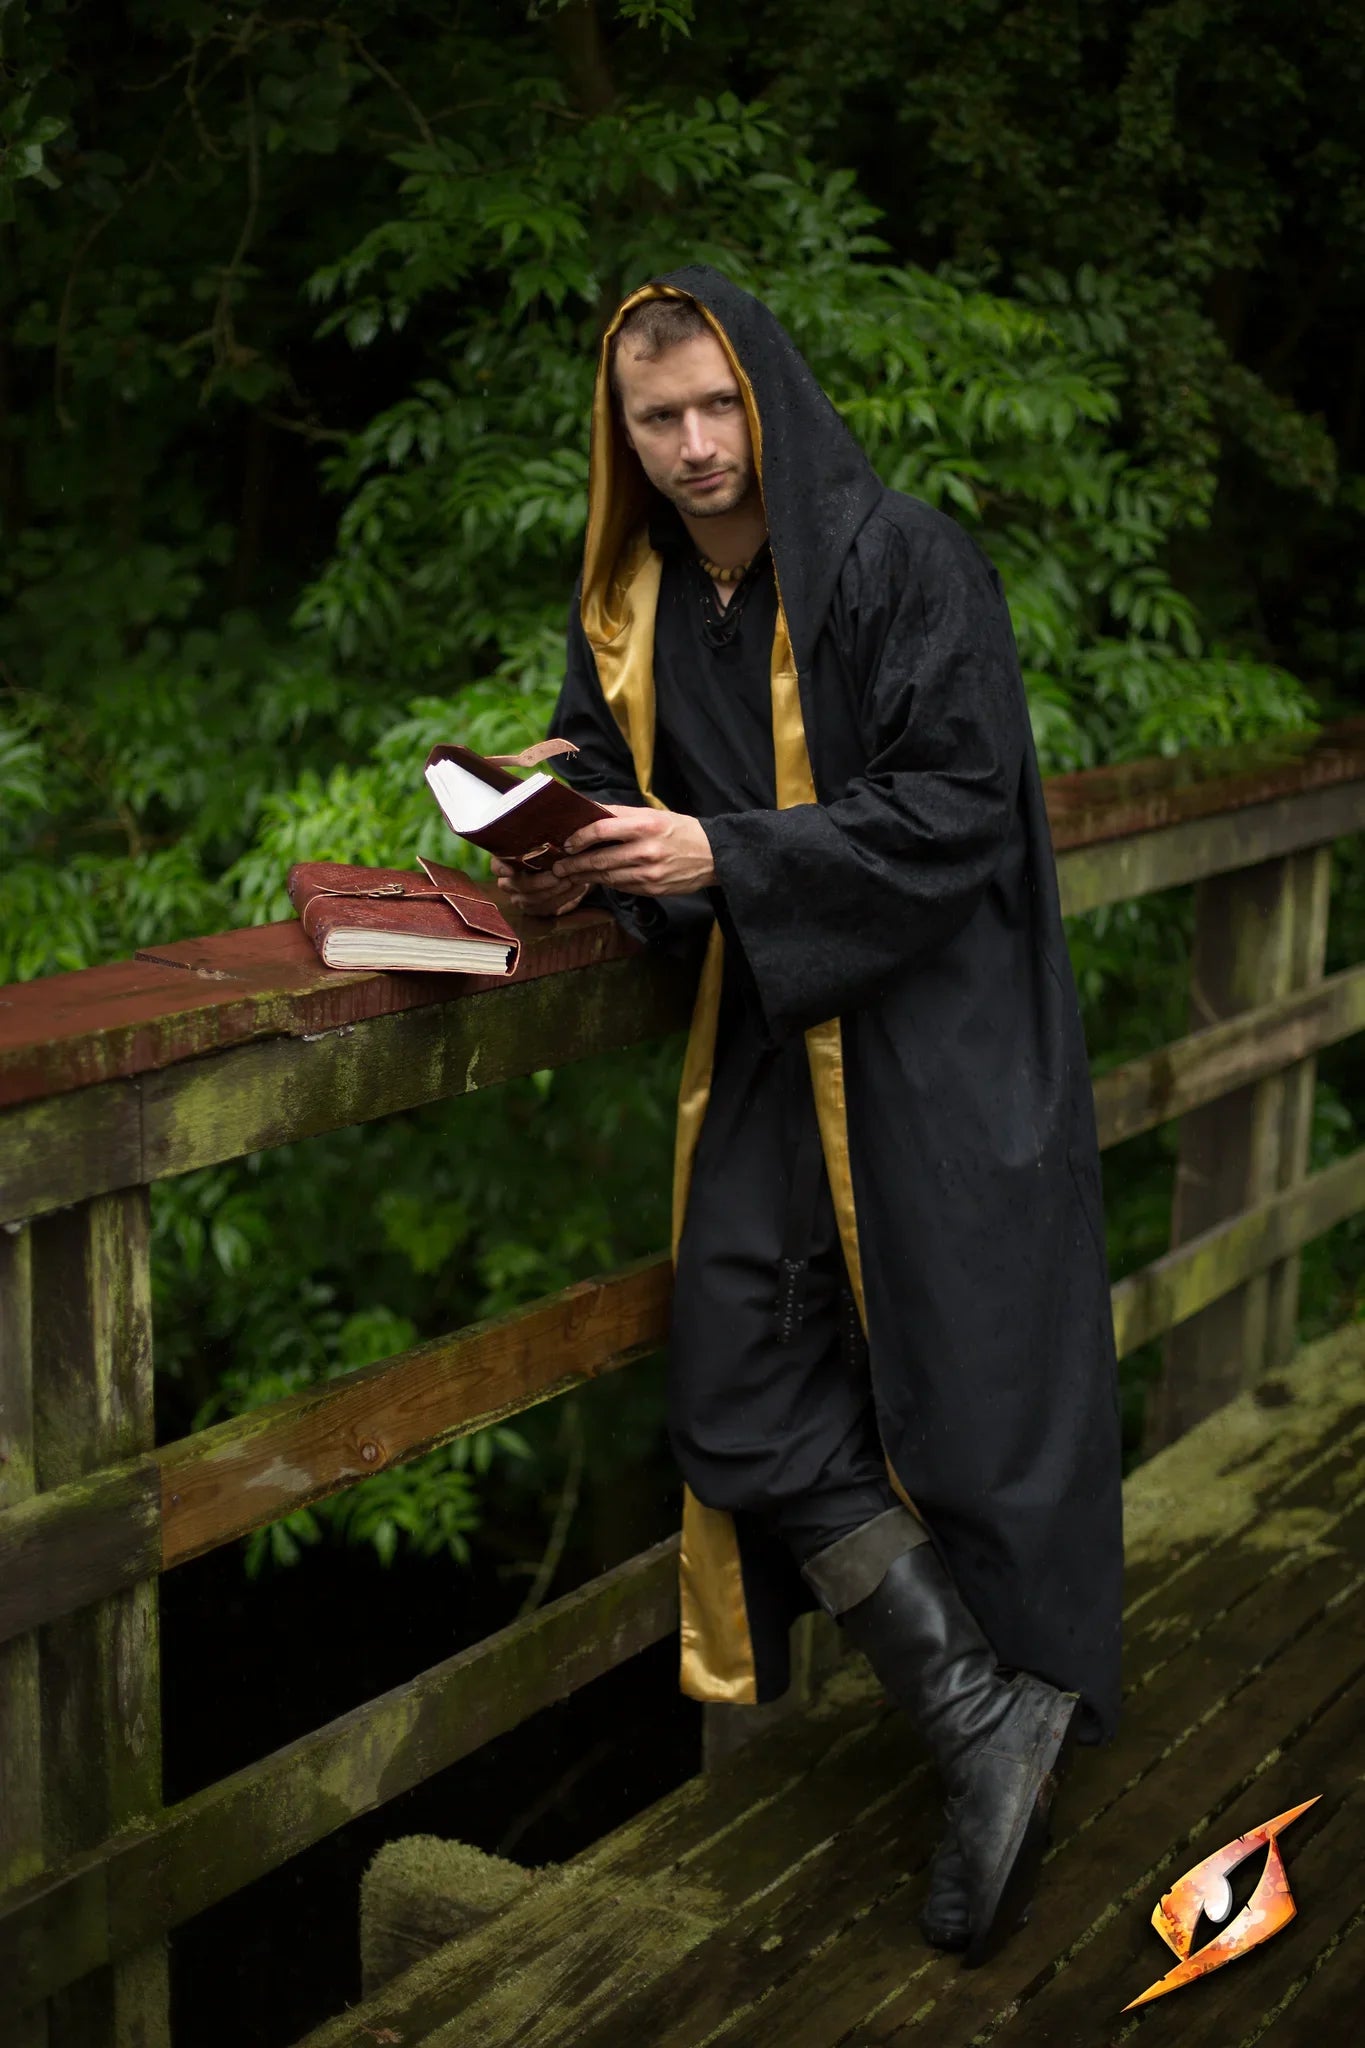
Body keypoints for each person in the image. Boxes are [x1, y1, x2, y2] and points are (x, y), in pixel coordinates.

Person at [490, 265, 1123, 1968]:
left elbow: (956, 808)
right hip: (778, 1033)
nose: (697, 448)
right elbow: (615, 781)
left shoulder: (901, 561)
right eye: (657, 419)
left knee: (967, 1380)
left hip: (938, 1035)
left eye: (717, 407)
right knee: (739, 1385)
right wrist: (562, 841)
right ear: (616, 433)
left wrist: (726, 857)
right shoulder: (625, 597)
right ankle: (980, 1711)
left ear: (760, 394)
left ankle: (1012, 1717)